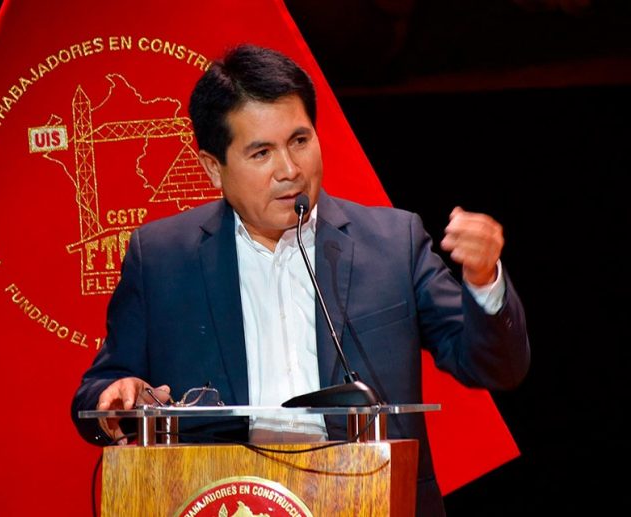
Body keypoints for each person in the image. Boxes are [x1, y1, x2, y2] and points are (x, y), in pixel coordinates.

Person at [71, 44, 530, 516]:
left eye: (299, 141)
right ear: (213, 168)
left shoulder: (393, 243)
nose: (289, 171)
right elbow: (100, 391)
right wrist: (118, 397)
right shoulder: (162, 258)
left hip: (369, 502)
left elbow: (497, 367)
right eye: (261, 152)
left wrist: (483, 279)